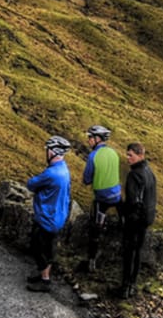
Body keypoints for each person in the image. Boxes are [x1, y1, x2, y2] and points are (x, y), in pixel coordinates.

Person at [25, 136, 73, 292]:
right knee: (49, 248)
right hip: (58, 217)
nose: (46, 152)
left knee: (39, 248)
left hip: (47, 217)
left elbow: (31, 184)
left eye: (47, 150)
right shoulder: (64, 170)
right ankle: (43, 275)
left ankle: (45, 281)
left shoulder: (51, 173)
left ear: (53, 151)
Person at [117, 142, 157, 298]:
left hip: (135, 219)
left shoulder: (134, 174)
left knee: (129, 252)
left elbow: (132, 200)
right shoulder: (149, 172)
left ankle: (125, 287)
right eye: (127, 155)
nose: (128, 158)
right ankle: (132, 285)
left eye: (130, 155)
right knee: (138, 251)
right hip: (147, 218)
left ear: (140, 155)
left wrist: (123, 211)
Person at [82, 125, 121, 270]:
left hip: (102, 198)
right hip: (117, 196)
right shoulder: (114, 153)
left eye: (90, 138)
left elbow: (86, 180)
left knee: (95, 229)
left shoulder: (93, 156)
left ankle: (91, 260)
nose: (89, 141)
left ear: (98, 139)